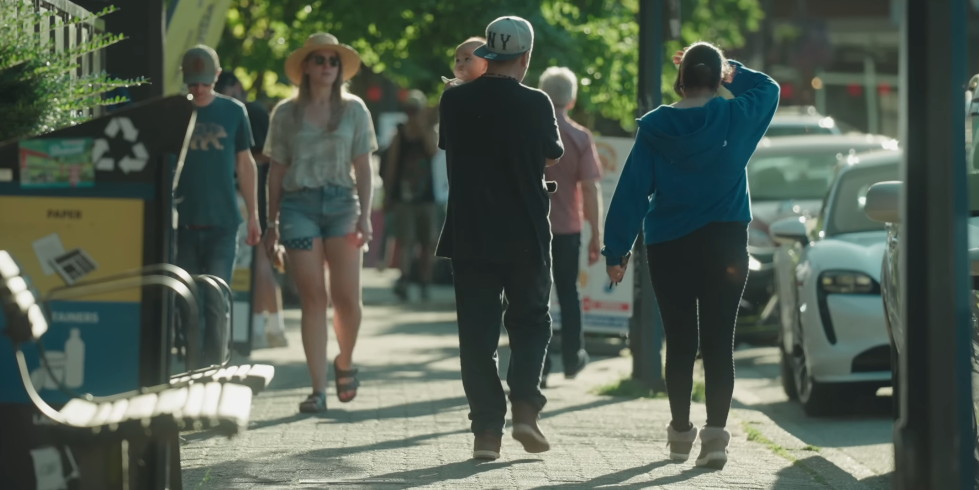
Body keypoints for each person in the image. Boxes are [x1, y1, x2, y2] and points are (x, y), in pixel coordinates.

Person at [602, 42, 779, 469]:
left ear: (679, 83)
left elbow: (631, 191)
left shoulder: (656, 128)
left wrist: (617, 249)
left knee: (680, 342)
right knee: (720, 342)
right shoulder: (735, 117)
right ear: (717, 80)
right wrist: (731, 70)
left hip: (669, 244)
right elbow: (769, 88)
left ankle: (680, 434)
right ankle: (716, 436)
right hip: (726, 244)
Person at [438, 16, 563, 461]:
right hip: (526, 232)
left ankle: (487, 433)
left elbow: (454, 147)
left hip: (470, 233)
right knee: (530, 322)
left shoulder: (453, 102)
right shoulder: (537, 102)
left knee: (477, 335)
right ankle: (526, 408)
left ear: (489, 53)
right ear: (525, 57)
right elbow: (551, 153)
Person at [263, 33, 377, 413]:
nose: (327, 66)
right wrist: (271, 223)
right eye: (320, 60)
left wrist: (365, 215)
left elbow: (363, 167)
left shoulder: (356, 109)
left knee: (347, 300)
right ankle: (318, 390)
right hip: (298, 208)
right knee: (314, 298)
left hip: (344, 204)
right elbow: (276, 171)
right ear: (307, 67)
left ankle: (344, 362)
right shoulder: (285, 113)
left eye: (333, 61)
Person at [175, 45, 262, 366]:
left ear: (217, 76)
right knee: (187, 300)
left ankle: (213, 366)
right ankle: (191, 367)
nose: (198, 89)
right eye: (192, 83)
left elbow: (246, 163)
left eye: (204, 82)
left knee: (215, 297)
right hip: (182, 221)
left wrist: (253, 215)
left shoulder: (233, 111)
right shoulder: (176, 110)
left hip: (223, 222)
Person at [537, 66, 602, 387]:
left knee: (536, 295)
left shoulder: (529, 133)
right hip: (568, 229)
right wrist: (597, 235)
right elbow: (590, 188)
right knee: (568, 292)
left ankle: (541, 363)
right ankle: (573, 356)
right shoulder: (580, 137)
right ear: (572, 99)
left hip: (531, 228)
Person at [215, 71, 289, 349]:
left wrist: (238, 159)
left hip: (253, 198)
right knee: (262, 263)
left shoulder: (251, 112)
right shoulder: (243, 110)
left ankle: (261, 327)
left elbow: (269, 154)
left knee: (259, 263)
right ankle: (273, 328)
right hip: (251, 198)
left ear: (236, 87)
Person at [383, 90, 438, 300]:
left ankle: (425, 281)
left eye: (415, 110)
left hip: (426, 196)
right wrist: (389, 194)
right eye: (409, 110)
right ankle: (404, 279)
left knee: (427, 242)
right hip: (404, 196)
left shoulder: (429, 130)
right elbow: (392, 165)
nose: (411, 114)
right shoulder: (400, 133)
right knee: (405, 240)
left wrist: (422, 127)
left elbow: (433, 151)